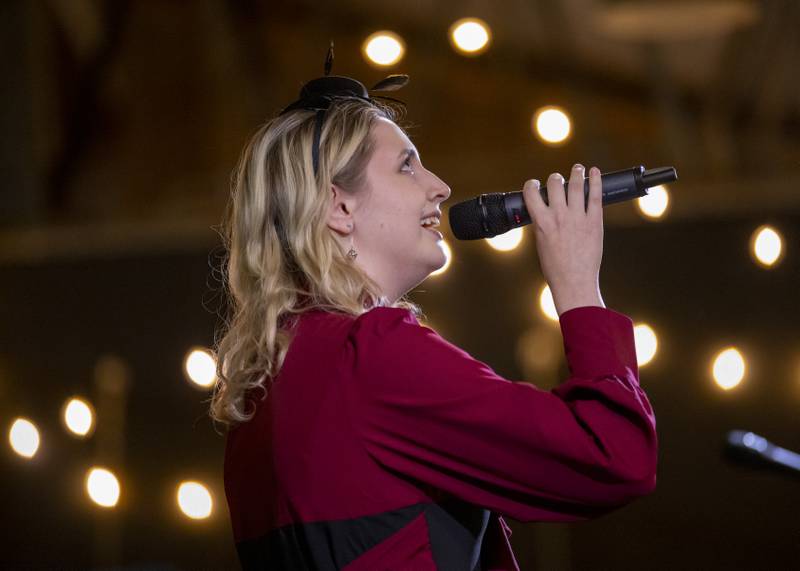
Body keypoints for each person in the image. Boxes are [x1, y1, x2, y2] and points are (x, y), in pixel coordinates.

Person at [211, 61, 658, 570]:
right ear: (339, 207)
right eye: (407, 166)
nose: (441, 186)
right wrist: (577, 285)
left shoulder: (259, 388)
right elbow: (614, 457)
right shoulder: (370, 355)